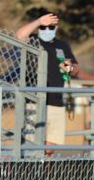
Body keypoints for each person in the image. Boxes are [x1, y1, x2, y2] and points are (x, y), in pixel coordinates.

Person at [14, 12, 78, 149]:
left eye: (51, 27)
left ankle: (46, 170)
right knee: (32, 145)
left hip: (56, 101)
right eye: (44, 27)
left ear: (56, 27)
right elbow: (19, 36)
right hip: (34, 101)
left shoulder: (62, 45)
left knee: (49, 149)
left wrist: (69, 67)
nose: (47, 30)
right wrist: (38, 21)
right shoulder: (33, 40)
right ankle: (30, 170)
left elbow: (75, 68)